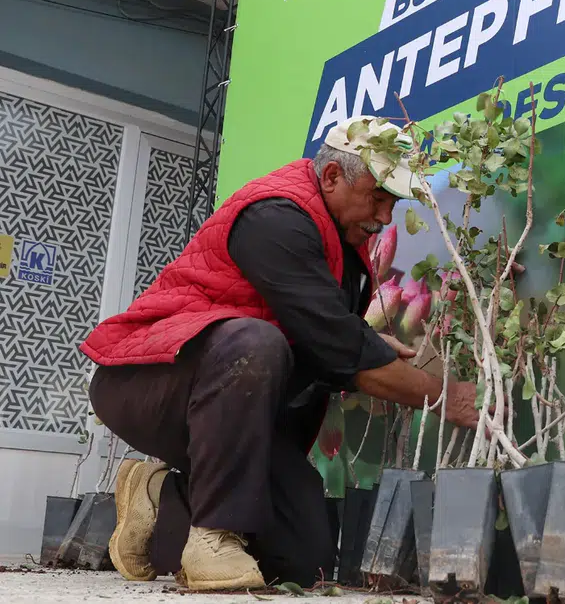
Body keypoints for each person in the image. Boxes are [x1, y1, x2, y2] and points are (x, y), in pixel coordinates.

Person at [79, 117, 478, 591]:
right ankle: (210, 537)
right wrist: (445, 397)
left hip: (231, 410)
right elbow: (336, 347)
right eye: (377, 198)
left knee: (300, 560)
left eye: (392, 203)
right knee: (254, 342)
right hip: (147, 380)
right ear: (331, 177)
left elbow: (329, 339)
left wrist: (363, 344)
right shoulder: (276, 216)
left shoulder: (345, 240)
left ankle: (162, 494)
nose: (385, 217)